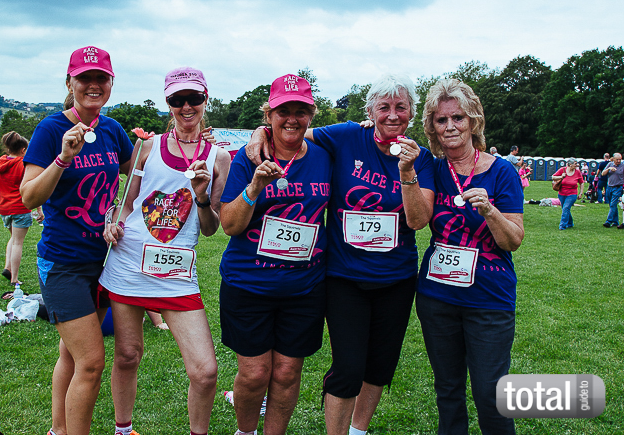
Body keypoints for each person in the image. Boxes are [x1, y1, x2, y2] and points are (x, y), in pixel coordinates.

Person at [245, 73, 436, 435]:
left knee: (380, 367)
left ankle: (358, 430)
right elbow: (292, 131)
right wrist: (260, 132)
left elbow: (418, 220)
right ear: (370, 111)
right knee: (348, 367)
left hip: (395, 278)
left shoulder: (420, 159)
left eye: (400, 107)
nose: (392, 115)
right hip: (345, 276)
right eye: (384, 107)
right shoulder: (347, 135)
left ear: (411, 113)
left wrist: (407, 172)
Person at [100, 67, 231, 435]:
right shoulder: (146, 146)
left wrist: (203, 197)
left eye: (194, 99)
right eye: (177, 100)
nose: (186, 107)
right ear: (168, 103)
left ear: (206, 99)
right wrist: (114, 220)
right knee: (127, 355)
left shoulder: (219, 158)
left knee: (205, 372)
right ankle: (123, 430)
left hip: (176, 274)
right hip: (128, 264)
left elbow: (209, 229)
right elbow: (127, 204)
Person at [20, 46, 134, 435]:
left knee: (69, 355)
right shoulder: (52, 130)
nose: (93, 85)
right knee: (91, 361)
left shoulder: (113, 130)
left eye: (101, 78)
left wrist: (117, 210)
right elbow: (29, 196)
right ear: (69, 82)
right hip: (63, 263)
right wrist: (64, 157)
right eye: (85, 78)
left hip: (103, 262)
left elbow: (135, 175)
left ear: (111, 83)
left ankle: (57, 430)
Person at [407, 79, 524, 435]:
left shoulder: (501, 171)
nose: (450, 127)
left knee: (491, 392)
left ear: (473, 120)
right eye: (441, 121)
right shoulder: (432, 168)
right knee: (448, 390)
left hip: (489, 298)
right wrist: (368, 124)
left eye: (457, 117)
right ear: (432, 127)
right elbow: (384, 143)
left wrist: (490, 211)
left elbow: (513, 240)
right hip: (437, 296)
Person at [220, 74, 332, 435]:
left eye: (301, 110)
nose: (292, 119)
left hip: (304, 287)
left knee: (287, 372)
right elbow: (230, 225)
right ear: (269, 114)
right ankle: (246, 432)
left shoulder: (325, 156)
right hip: (249, 284)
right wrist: (254, 187)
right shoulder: (247, 159)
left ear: (311, 115)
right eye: (284, 110)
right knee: (254, 374)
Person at [0, 131, 44, 290]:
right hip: (20, 206)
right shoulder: (23, 164)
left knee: (13, 238)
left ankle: (8, 268)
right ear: (23, 150)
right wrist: (39, 209)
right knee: (18, 242)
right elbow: (31, 186)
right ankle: (14, 278)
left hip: (4, 208)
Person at [551, 159, 584, 230]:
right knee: (565, 209)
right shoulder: (562, 170)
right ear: (570, 164)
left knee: (566, 208)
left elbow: (581, 182)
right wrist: (561, 177)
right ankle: (570, 223)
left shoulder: (577, 172)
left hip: (572, 194)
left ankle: (562, 226)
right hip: (561, 194)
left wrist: (581, 193)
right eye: (575, 163)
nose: (576, 165)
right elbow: (553, 177)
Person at [601, 153, 623, 228]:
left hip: (618, 187)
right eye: (617, 159)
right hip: (609, 187)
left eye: (620, 159)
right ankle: (616, 221)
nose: (619, 161)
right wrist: (609, 169)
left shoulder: (623, 166)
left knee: (613, 204)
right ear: (613, 159)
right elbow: (603, 174)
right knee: (611, 205)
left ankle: (608, 221)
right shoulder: (610, 164)